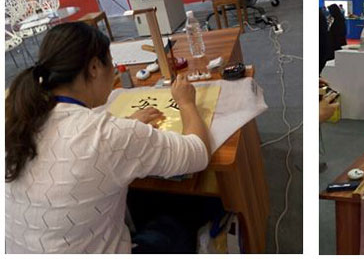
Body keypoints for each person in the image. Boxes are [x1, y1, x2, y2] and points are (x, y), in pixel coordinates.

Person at [5, 23, 211, 253]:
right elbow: (198, 153)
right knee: (188, 213)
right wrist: (186, 103)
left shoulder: (20, 123)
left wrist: (126, 126)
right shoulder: (107, 135)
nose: (114, 72)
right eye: (111, 64)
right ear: (94, 67)